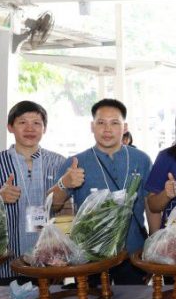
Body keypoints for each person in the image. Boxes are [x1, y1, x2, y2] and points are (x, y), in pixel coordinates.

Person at [51, 99, 153, 285]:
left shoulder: (141, 160)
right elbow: (53, 205)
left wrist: (152, 248)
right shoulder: (75, 162)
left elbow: (150, 205)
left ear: (125, 127)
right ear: (92, 126)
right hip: (89, 255)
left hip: (133, 252)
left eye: (114, 123)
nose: (107, 129)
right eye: (101, 123)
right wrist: (64, 183)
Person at [0, 101, 73, 280]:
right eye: (22, 122)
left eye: (36, 123)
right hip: (6, 261)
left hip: (52, 260)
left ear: (44, 128)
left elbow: (68, 209)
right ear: (10, 127)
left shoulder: (59, 162)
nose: (30, 128)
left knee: (51, 297)